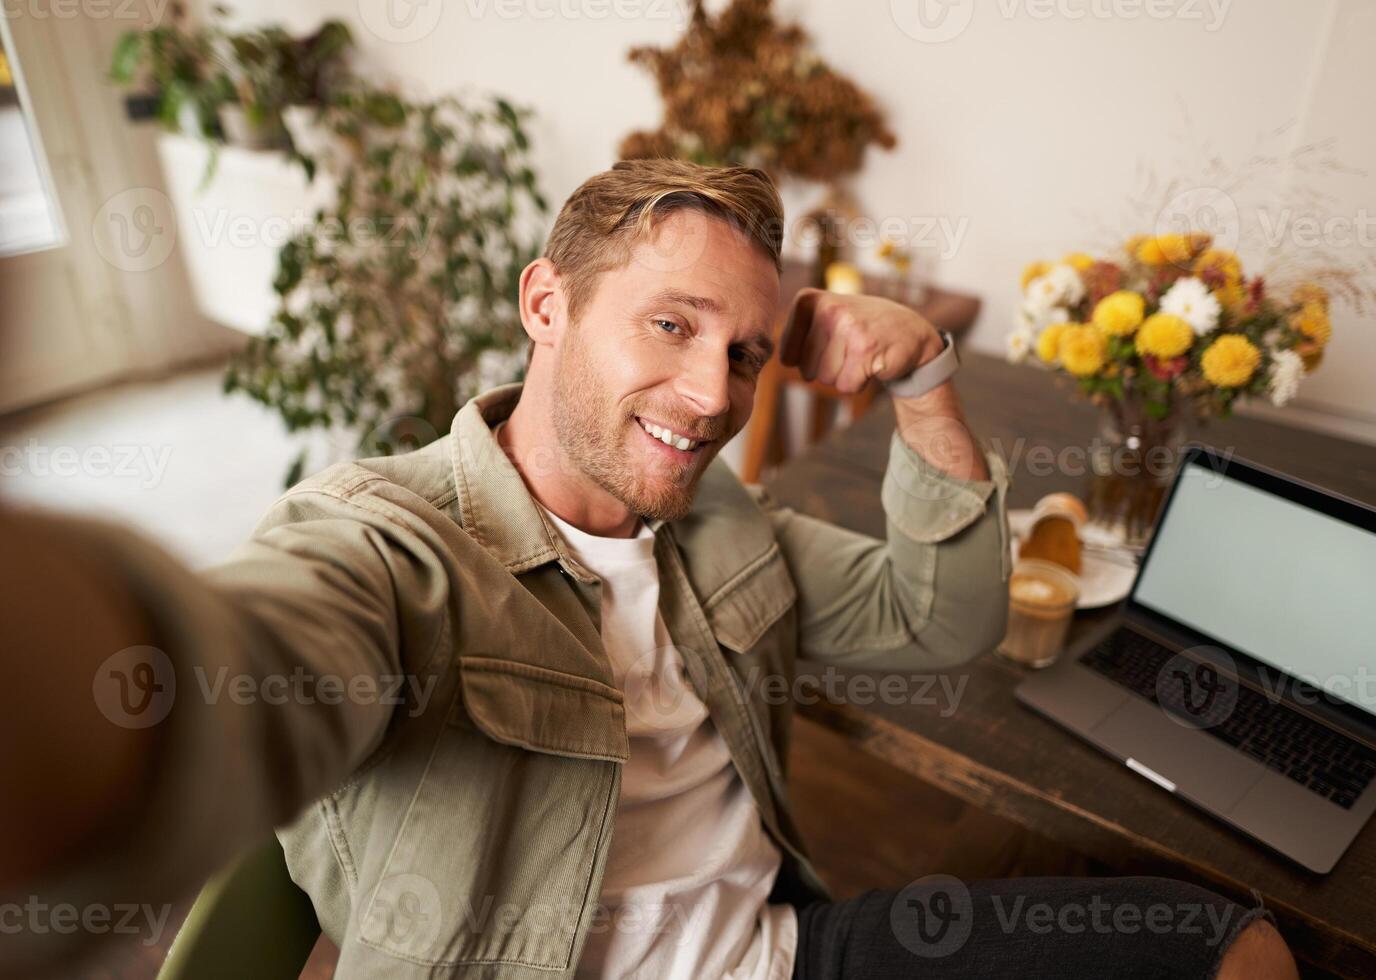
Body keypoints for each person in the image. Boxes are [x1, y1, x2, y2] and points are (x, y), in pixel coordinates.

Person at [0, 159, 1296, 979]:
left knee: (1224, 940)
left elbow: (941, 617)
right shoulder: (392, 545)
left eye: (743, 352)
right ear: (545, 305)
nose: (708, 391)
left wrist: (924, 383)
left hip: (778, 949)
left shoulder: (722, 526)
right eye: (669, 326)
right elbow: (241, 672)